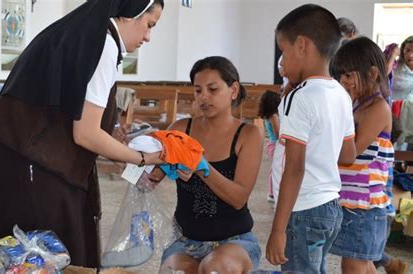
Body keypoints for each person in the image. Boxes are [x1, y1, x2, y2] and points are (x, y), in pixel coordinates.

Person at [0, 0, 164, 268]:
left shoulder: (74, 33)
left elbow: (73, 116)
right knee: (45, 257)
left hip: (17, 159)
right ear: (130, 14)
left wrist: (127, 164)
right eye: (149, 25)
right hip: (38, 169)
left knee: (12, 256)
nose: (148, 37)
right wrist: (142, 158)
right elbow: (86, 134)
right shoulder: (103, 44)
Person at [265, 4, 357, 274]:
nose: (281, 61)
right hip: (330, 207)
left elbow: (294, 167)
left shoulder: (299, 96)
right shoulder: (340, 93)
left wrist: (278, 229)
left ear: (302, 45)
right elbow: (348, 154)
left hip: (302, 210)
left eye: (284, 51)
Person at [152, 56, 264, 273]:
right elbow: (150, 179)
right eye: (197, 90)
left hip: (235, 242)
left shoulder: (248, 135)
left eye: (212, 89)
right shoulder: (181, 129)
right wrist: (134, 152)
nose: (204, 97)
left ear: (233, 90)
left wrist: (201, 167)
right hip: (185, 242)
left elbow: (238, 198)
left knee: (214, 268)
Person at [328, 36, 393, 274]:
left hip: (365, 207)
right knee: (362, 263)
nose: (342, 82)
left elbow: (349, 153)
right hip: (352, 202)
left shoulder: (378, 108)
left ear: (373, 73)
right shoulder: (356, 106)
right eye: (340, 76)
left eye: (348, 75)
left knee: (353, 264)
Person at [258, 90, 281, 203]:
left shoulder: (268, 116)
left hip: (271, 144)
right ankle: (272, 193)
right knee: (275, 170)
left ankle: (272, 192)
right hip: (276, 145)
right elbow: (278, 133)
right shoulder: (274, 116)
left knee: (274, 169)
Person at [392, 36, 413, 101]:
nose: (410, 55)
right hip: (393, 108)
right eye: (407, 50)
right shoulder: (394, 67)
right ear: (402, 51)